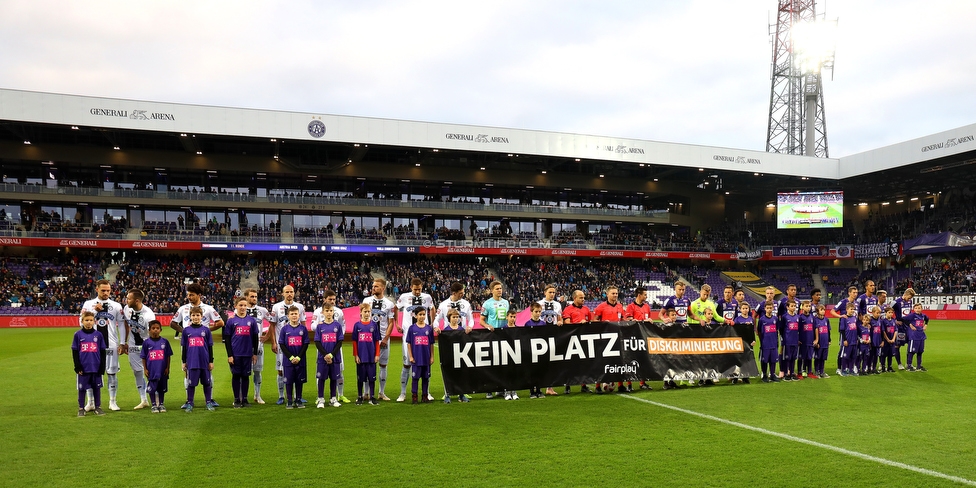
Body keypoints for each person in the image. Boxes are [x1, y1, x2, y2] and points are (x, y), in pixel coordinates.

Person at [171, 282, 224, 410]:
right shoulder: (183, 308)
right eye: (188, 295)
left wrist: (205, 331)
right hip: (189, 344)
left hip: (203, 345)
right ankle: (188, 400)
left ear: (199, 295)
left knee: (207, 369)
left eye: (192, 295)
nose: (189, 297)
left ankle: (209, 399)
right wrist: (185, 331)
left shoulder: (208, 308)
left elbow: (220, 322)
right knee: (187, 371)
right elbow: (173, 323)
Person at [80, 280, 125, 412]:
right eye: (103, 290)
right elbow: (80, 322)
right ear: (97, 290)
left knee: (112, 373)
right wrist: (94, 312)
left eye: (108, 291)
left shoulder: (116, 306)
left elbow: (121, 324)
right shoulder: (88, 304)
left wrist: (122, 342)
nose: (106, 293)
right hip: (91, 345)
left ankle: (112, 401)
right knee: (90, 373)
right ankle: (91, 402)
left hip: (111, 344)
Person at [397, 278, 435, 402]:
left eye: (419, 289)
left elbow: (433, 308)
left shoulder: (427, 297)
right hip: (409, 335)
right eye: (415, 289)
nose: (417, 291)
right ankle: (403, 393)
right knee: (407, 364)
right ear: (411, 287)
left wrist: (432, 323)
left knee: (426, 365)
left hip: (424, 334)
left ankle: (426, 393)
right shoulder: (404, 297)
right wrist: (397, 324)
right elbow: (396, 308)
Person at [312, 290, 350, 403]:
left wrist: (339, 336)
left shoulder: (339, 311)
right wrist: (320, 326)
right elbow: (312, 325)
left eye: (334, 299)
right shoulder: (318, 311)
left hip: (336, 346)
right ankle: (320, 397)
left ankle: (340, 395)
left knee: (339, 370)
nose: (332, 301)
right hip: (323, 345)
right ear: (324, 299)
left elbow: (343, 325)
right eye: (330, 299)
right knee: (321, 372)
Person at [271, 285, 305, 405]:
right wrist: (273, 342)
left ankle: (297, 396)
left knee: (297, 370)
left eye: (291, 292)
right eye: (287, 292)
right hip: (282, 346)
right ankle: (281, 396)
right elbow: (272, 325)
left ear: (294, 293)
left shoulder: (300, 307)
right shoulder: (276, 307)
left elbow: (304, 324)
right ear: (283, 293)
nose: (289, 294)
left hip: (296, 344)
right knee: (281, 371)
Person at [363, 278, 396, 401]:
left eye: (376, 286)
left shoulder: (389, 304)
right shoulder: (366, 301)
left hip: (382, 339)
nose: (373, 288)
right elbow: (363, 319)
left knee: (383, 365)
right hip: (368, 340)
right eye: (373, 286)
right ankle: (366, 393)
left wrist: (386, 338)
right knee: (367, 365)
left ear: (383, 288)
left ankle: (381, 393)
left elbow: (391, 322)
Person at [224, 297, 259, 408]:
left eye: (245, 305)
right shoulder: (231, 321)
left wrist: (254, 354)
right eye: (241, 305)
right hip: (235, 354)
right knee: (236, 375)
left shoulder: (252, 321)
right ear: (236, 306)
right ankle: (236, 400)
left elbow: (255, 338)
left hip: (247, 353)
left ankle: (244, 399)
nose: (243, 307)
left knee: (245, 376)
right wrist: (230, 355)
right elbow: (227, 339)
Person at [123, 287, 155, 410]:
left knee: (150, 372)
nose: (126, 300)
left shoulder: (149, 315)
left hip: (146, 346)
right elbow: (125, 324)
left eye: (129, 298)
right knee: (137, 372)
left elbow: (153, 332)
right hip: (132, 346)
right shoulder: (127, 309)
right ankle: (143, 400)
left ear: (136, 301)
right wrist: (124, 342)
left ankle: (155, 397)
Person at [593, 285, 628, 392]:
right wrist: (603, 323)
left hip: (618, 337)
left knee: (619, 361)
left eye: (616, 293)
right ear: (607, 294)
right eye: (613, 293)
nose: (615, 295)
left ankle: (621, 385)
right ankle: (598, 386)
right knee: (602, 362)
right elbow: (594, 321)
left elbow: (623, 319)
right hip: (605, 339)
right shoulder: (601, 307)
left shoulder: (620, 306)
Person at [181, 307, 215, 412]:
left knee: (206, 383)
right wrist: (183, 362)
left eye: (198, 315)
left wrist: (211, 361)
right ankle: (190, 403)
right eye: (193, 315)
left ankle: (208, 402)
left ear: (202, 316)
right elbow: (184, 348)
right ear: (190, 317)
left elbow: (210, 347)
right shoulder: (186, 331)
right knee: (191, 384)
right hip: (192, 361)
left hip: (204, 361)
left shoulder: (206, 330)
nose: (196, 317)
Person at [73, 311, 107, 417]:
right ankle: (81, 408)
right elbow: (74, 351)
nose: (89, 322)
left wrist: (102, 366)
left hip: (96, 367)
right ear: (82, 321)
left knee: (97, 387)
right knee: (82, 388)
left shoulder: (98, 335)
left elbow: (102, 351)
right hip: (83, 367)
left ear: (94, 322)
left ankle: (98, 407)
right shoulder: (78, 335)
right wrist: (77, 365)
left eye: (91, 320)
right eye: (86, 320)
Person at [278, 306, 309, 409]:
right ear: (288, 316)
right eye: (292, 314)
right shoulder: (284, 329)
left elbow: (305, 344)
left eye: (296, 314)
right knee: (289, 381)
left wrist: (299, 357)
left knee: (299, 381)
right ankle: (290, 400)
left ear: (299, 315)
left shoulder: (303, 329)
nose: (294, 316)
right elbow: (282, 344)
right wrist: (291, 357)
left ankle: (299, 399)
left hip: (301, 360)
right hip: (288, 361)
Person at [312, 305, 343, 408]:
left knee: (334, 378)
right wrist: (325, 355)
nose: (329, 313)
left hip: (335, 357)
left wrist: (331, 354)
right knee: (321, 379)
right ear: (322, 312)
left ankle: (333, 398)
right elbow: (317, 341)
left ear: (333, 312)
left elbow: (339, 342)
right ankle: (321, 399)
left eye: (331, 311)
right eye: (327, 311)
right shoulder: (320, 326)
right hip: (322, 358)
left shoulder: (337, 326)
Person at [244, 288, 271, 404]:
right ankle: (243, 396)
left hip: (258, 345)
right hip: (244, 345)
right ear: (246, 297)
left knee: (257, 371)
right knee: (244, 372)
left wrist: (267, 336)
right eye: (252, 296)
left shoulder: (262, 310)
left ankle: (257, 395)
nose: (254, 299)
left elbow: (273, 322)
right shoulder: (241, 309)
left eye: (255, 297)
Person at [561, 290, 591, 393]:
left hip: (584, 340)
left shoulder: (587, 309)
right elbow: (567, 324)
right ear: (574, 298)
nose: (583, 299)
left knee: (584, 363)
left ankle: (584, 385)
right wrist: (579, 323)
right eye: (581, 298)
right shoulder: (568, 310)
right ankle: (567, 386)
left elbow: (590, 323)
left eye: (583, 298)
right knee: (571, 364)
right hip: (572, 341)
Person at [140, 320, 173, 413]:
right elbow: (143, 357)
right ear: (149, 330)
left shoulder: (165, 342)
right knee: (152, 388)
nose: (155, 330)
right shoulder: (146, 343)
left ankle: (161, 404)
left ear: (161, 330)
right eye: (153, 328)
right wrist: (145, 369)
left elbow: (168, 356)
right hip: (152, 370)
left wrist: (167, 368)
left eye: (157, 328)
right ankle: (154, 405)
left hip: (162, 370)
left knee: (162, 388)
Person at [352, 303, 381, 405]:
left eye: (369, 311)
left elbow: (377, 341)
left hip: (371, 356)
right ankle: (360, 396)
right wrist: (356, 355)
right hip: (361, 356)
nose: (367, 313)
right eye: (365, 311)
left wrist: (377, 354)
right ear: (361, 312)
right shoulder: (357, 325)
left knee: (372, 377)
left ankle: (372, 397)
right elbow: (354, 341)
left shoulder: (374, 325)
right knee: (360, 378)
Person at [405, 308, 435, 404]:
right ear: (415, 315)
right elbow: (409, 343)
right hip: (416, 359)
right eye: (420, 314)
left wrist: (432, 357)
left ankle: (425, 396)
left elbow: (431, 344)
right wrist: (411, 356)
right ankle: (414, 396)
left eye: (423, 314)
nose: (422, 316)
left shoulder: (429, 329)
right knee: (415, 378)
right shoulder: (412, 328)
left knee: (426, 378)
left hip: (426, 358)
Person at [831, 286, 859, 375]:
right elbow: (832, 311)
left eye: (856, 293)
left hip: (854, 330)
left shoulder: (856, 303)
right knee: (843, 349)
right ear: (849, 293)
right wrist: (840, 316)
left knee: (852, 350)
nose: (855, 294)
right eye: (853, 292)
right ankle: (839, 368)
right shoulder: (843, 302)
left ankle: (850, 368)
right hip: (845, 330)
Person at [730, 302, 755, 384]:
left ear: (749, 309)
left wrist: (753, 340)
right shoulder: (737, 319)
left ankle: (745, 377)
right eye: (743, 308)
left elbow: (752, 331)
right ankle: (735, 377)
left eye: (746, 308)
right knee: (739, 359)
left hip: (748, 342)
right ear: (740, 310)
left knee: (747, 360)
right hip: (740, 342)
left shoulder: (751, 319)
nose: (745, 310)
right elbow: (734, 331)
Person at [891, 288, 916, 370]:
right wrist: (895, 320)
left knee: (911, 344)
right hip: (900, 327)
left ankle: (909, 363)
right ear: (905, 294)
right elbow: (887, 311)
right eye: (909, 297)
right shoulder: (896, 302)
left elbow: (909, 313)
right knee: (897, 345)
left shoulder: (910, 302)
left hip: (908, 327)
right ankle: (899, 364)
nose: (910, 299)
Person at [757, 301, 780, 383]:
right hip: (765, 344)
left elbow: (777, 330)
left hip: (773, 343)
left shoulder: (775, 319)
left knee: (773, 360)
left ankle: (773, 375)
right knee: (764, 360)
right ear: (765, 309)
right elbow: (759, 332)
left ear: (773, 308)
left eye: (771, 308)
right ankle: (764, 375)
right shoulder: (762, 320)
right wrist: (761, 341)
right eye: (768, 308)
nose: (769, 309)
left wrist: (777, 341)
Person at [778, 300, 800, 381]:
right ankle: (787, 373)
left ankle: (792, 373)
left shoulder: (798, 317)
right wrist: (783, 338)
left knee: (793, 358)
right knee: (787, 358)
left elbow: (799, 329)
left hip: (795, 340)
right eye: (791, 306)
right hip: (787, 341)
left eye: (794, 306)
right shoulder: (784, 317)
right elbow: (781, 329)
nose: (793, 307)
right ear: (787, 307)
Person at [904, 303, 929, 372]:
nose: (917, 310)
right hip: (913, 336)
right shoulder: (912, 315)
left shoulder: (923, 316)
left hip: (921, 336)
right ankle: (909, 366)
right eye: (916, 308)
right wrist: (910, 325)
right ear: (913, 309)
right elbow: (904, 319)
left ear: (922, 309)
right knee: (911, 351)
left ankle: (919, 366)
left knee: (920, 352)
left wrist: (926, 324)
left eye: (919, 308)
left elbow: (927, 319)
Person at [839, 303, 859, 376]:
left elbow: (856, 329)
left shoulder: (854, 318)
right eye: (851, 309)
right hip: (848, 340)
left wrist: (856, 338)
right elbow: (842, 330)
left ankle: (851, 370)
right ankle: (843, 370)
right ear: (847, 309)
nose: (852, 310)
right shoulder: (844, 318)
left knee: (853, 356)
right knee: (845, 356)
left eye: (853, 309)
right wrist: (844, 340)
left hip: (854, 340)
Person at [797, 300, 816, 379]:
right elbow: (797, 330)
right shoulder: (800, 317)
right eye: (806, 306)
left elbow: (815, 329)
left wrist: (816, 339)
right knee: (801, 357)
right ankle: (799, 372)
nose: (808, 308)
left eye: (809, 306)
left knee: (809, 357)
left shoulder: (812, 317)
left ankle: (810, 372)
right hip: (802, 341)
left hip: (810, 340)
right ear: (802, 307)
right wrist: (798, 339)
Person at [812, 304, 831, 378]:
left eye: (824, 310)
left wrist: (829, 340)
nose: (823, 311)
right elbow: (814, 331)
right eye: (821, 310)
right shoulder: (815, 320)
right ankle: (817, 371)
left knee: (823, 358)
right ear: (817, 311)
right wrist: (816, 342)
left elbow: (828, 331)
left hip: (825, 342)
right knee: (817, 357)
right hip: (819, 342)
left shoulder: (826, 319)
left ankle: (822, 371)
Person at [880, 307, 898, 373]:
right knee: (884, 354)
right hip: (886, 341)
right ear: (885, 313)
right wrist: (887, 339)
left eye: (892, 312)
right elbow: (883, 331)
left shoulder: (893, 320)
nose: (891, 314)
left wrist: (893, 339)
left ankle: (889, 367)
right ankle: (883, 367)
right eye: (889, 312)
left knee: (890, 354)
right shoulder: (883, 321)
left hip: (892, 340)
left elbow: (896, 330)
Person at [868, 305, 884, 375]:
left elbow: (882, 331)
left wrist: (883, 340)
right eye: (877, 313)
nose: (878, 314)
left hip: (878, 341)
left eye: (879, 313)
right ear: (873, 312)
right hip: (872, 341)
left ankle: (874, 368)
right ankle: (869, 368)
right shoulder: (870, 321)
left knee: (876, 355)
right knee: (870, 355)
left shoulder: (880, 321)